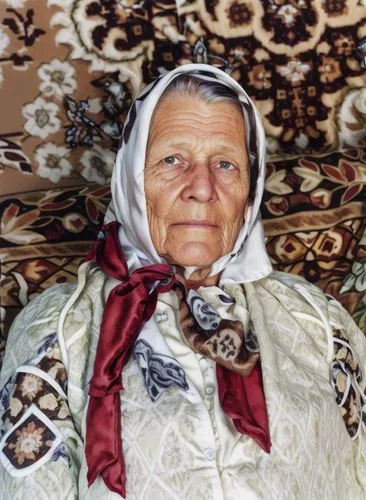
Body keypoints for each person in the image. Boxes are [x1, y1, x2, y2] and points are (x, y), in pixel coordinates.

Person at [0, 64, 365, 499]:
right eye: (173, 160)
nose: (202, 188)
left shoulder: (317, 322)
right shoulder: (58, 331)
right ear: (133, 177)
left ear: (250, 189)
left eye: (226, 164)